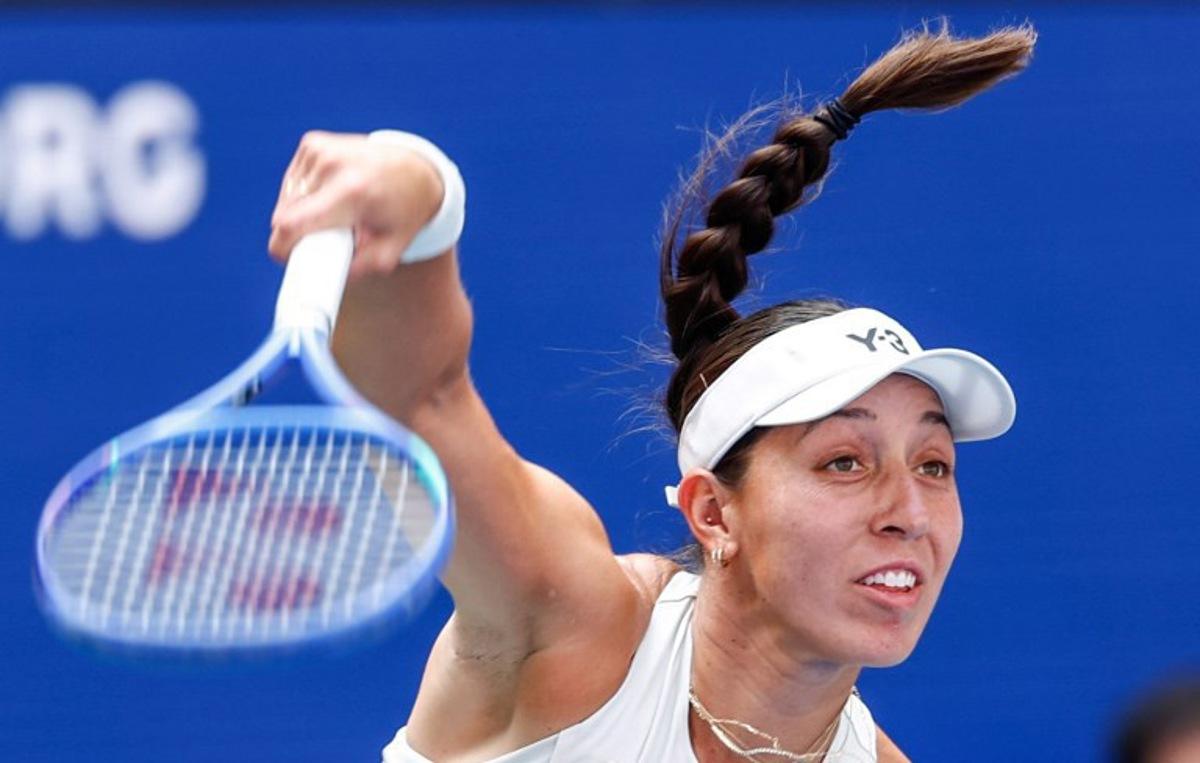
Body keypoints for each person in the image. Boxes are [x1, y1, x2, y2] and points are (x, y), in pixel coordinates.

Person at [267, 21, 1035, 763]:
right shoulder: (573, 623)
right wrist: (417, 188)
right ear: (712, 511)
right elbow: (423, 399)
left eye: (933, 464)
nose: (908, 513)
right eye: (844, 462)